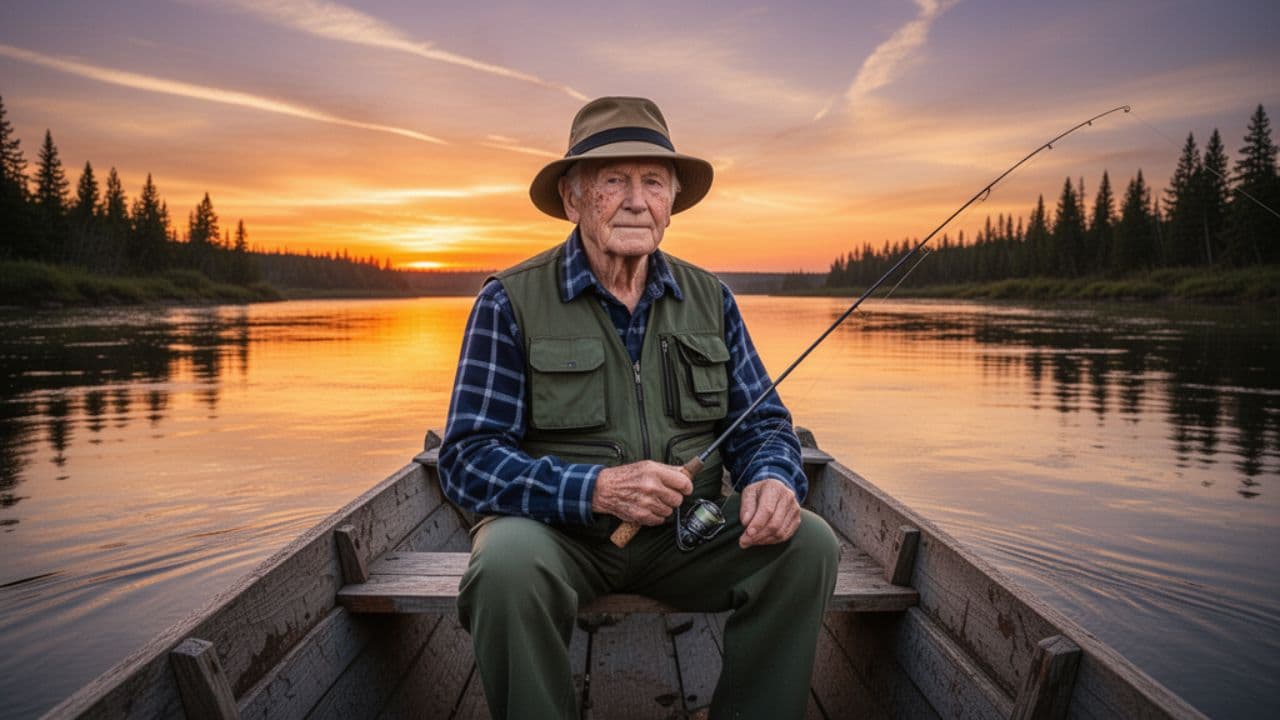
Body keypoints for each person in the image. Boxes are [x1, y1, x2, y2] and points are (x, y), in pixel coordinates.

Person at [439, 96, 839, 720]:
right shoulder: (507, 302)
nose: (636, 199)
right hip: (559, 538)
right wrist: (596, 488)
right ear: (573, 199)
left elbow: (762, 424)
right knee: (504, 565)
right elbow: (467, 460)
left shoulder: (713, 299)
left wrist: (771, 477)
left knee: (808, 544)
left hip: (688, 536)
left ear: (672, 201)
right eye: (613, 181)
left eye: (653, 181)